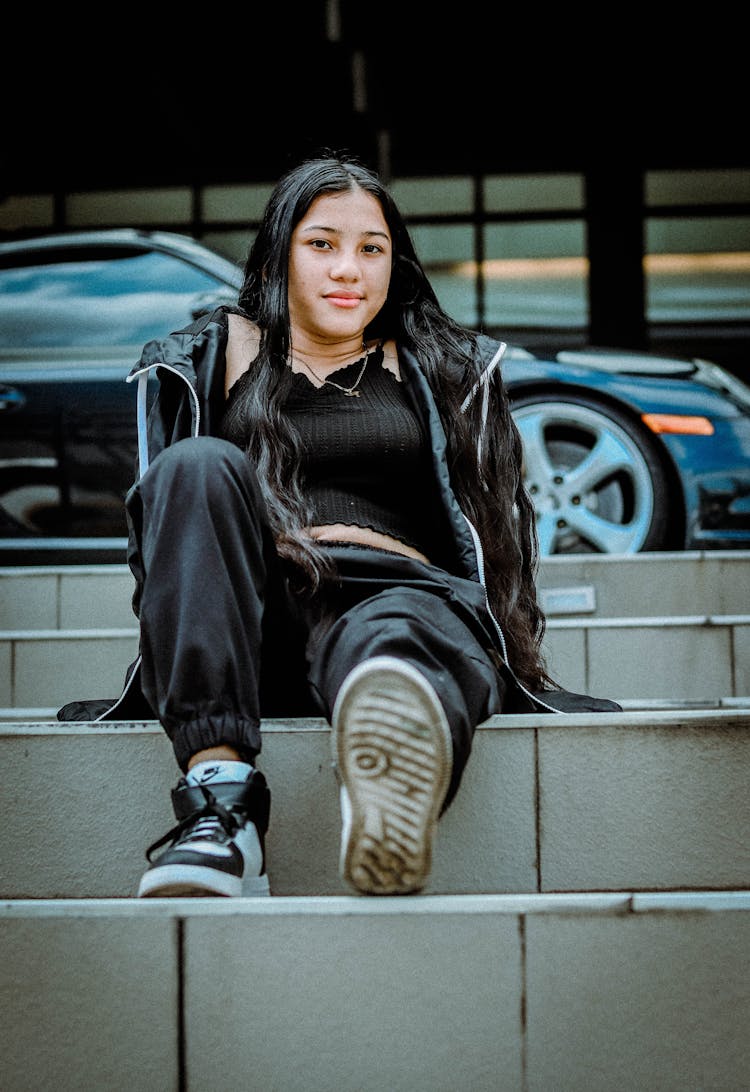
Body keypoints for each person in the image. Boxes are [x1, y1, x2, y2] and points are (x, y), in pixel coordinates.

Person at [58, 152, 619, 899]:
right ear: (279, 252)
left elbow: (491, 537)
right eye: (322, 244)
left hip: (397, 601)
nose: (348, 268)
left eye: (372, 248)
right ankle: (221, 814)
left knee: (396, 639)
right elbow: (173, 540)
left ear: (396, 263)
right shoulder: (210, 358)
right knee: (193, 465)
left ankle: (387, 763)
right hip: (257, 621)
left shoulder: (443, 366)